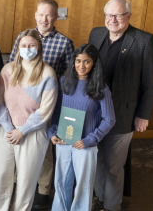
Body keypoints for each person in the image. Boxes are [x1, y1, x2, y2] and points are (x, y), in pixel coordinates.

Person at [88, 0, 153, 211]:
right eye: (109, 15)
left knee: (113, 165)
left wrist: (143, 115)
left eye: (118, 15)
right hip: (94, 112)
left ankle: (112, 206)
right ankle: (99, 197)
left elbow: (151, 81)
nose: (112, 19)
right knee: (96, 160)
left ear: (128, 16)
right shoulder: (96, 34)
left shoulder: (144, 40)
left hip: (123, 115)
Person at [9, 0, 75, 208]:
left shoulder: (64, 42)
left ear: (56, 17)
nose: (44, 19)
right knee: (20, 145)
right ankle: (19, 184)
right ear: (35, 15)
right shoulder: (22, 37)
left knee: (43, 149)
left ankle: (43, 189)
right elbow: (12, 65)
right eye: (41, 14)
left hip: (46, 104)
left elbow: (70, 77)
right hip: (20, 103)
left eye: (49, 15)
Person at [0, 29, 58, 211]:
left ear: (39, 48)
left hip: (32, 133)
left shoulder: (47, 73)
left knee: (26, 180)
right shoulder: (8, 69)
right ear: (18, 48)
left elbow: (45, 110)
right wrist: (11, 128)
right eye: (24, 45)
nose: (27, 49)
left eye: (32, 45)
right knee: (1, 175)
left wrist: (22, 130)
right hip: (7, 130)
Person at [48, 44, 116, 211]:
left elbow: (109, 119)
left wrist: (90, 140)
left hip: (85, 145)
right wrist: (52, 132)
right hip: (63, 142)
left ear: (94, 64)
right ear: (73, 62)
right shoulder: (64, 82)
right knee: (61, 183)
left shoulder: (101, 88)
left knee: (83, 188)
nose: (82, 65)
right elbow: (56, 112)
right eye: (78, 61)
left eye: (87, 61)